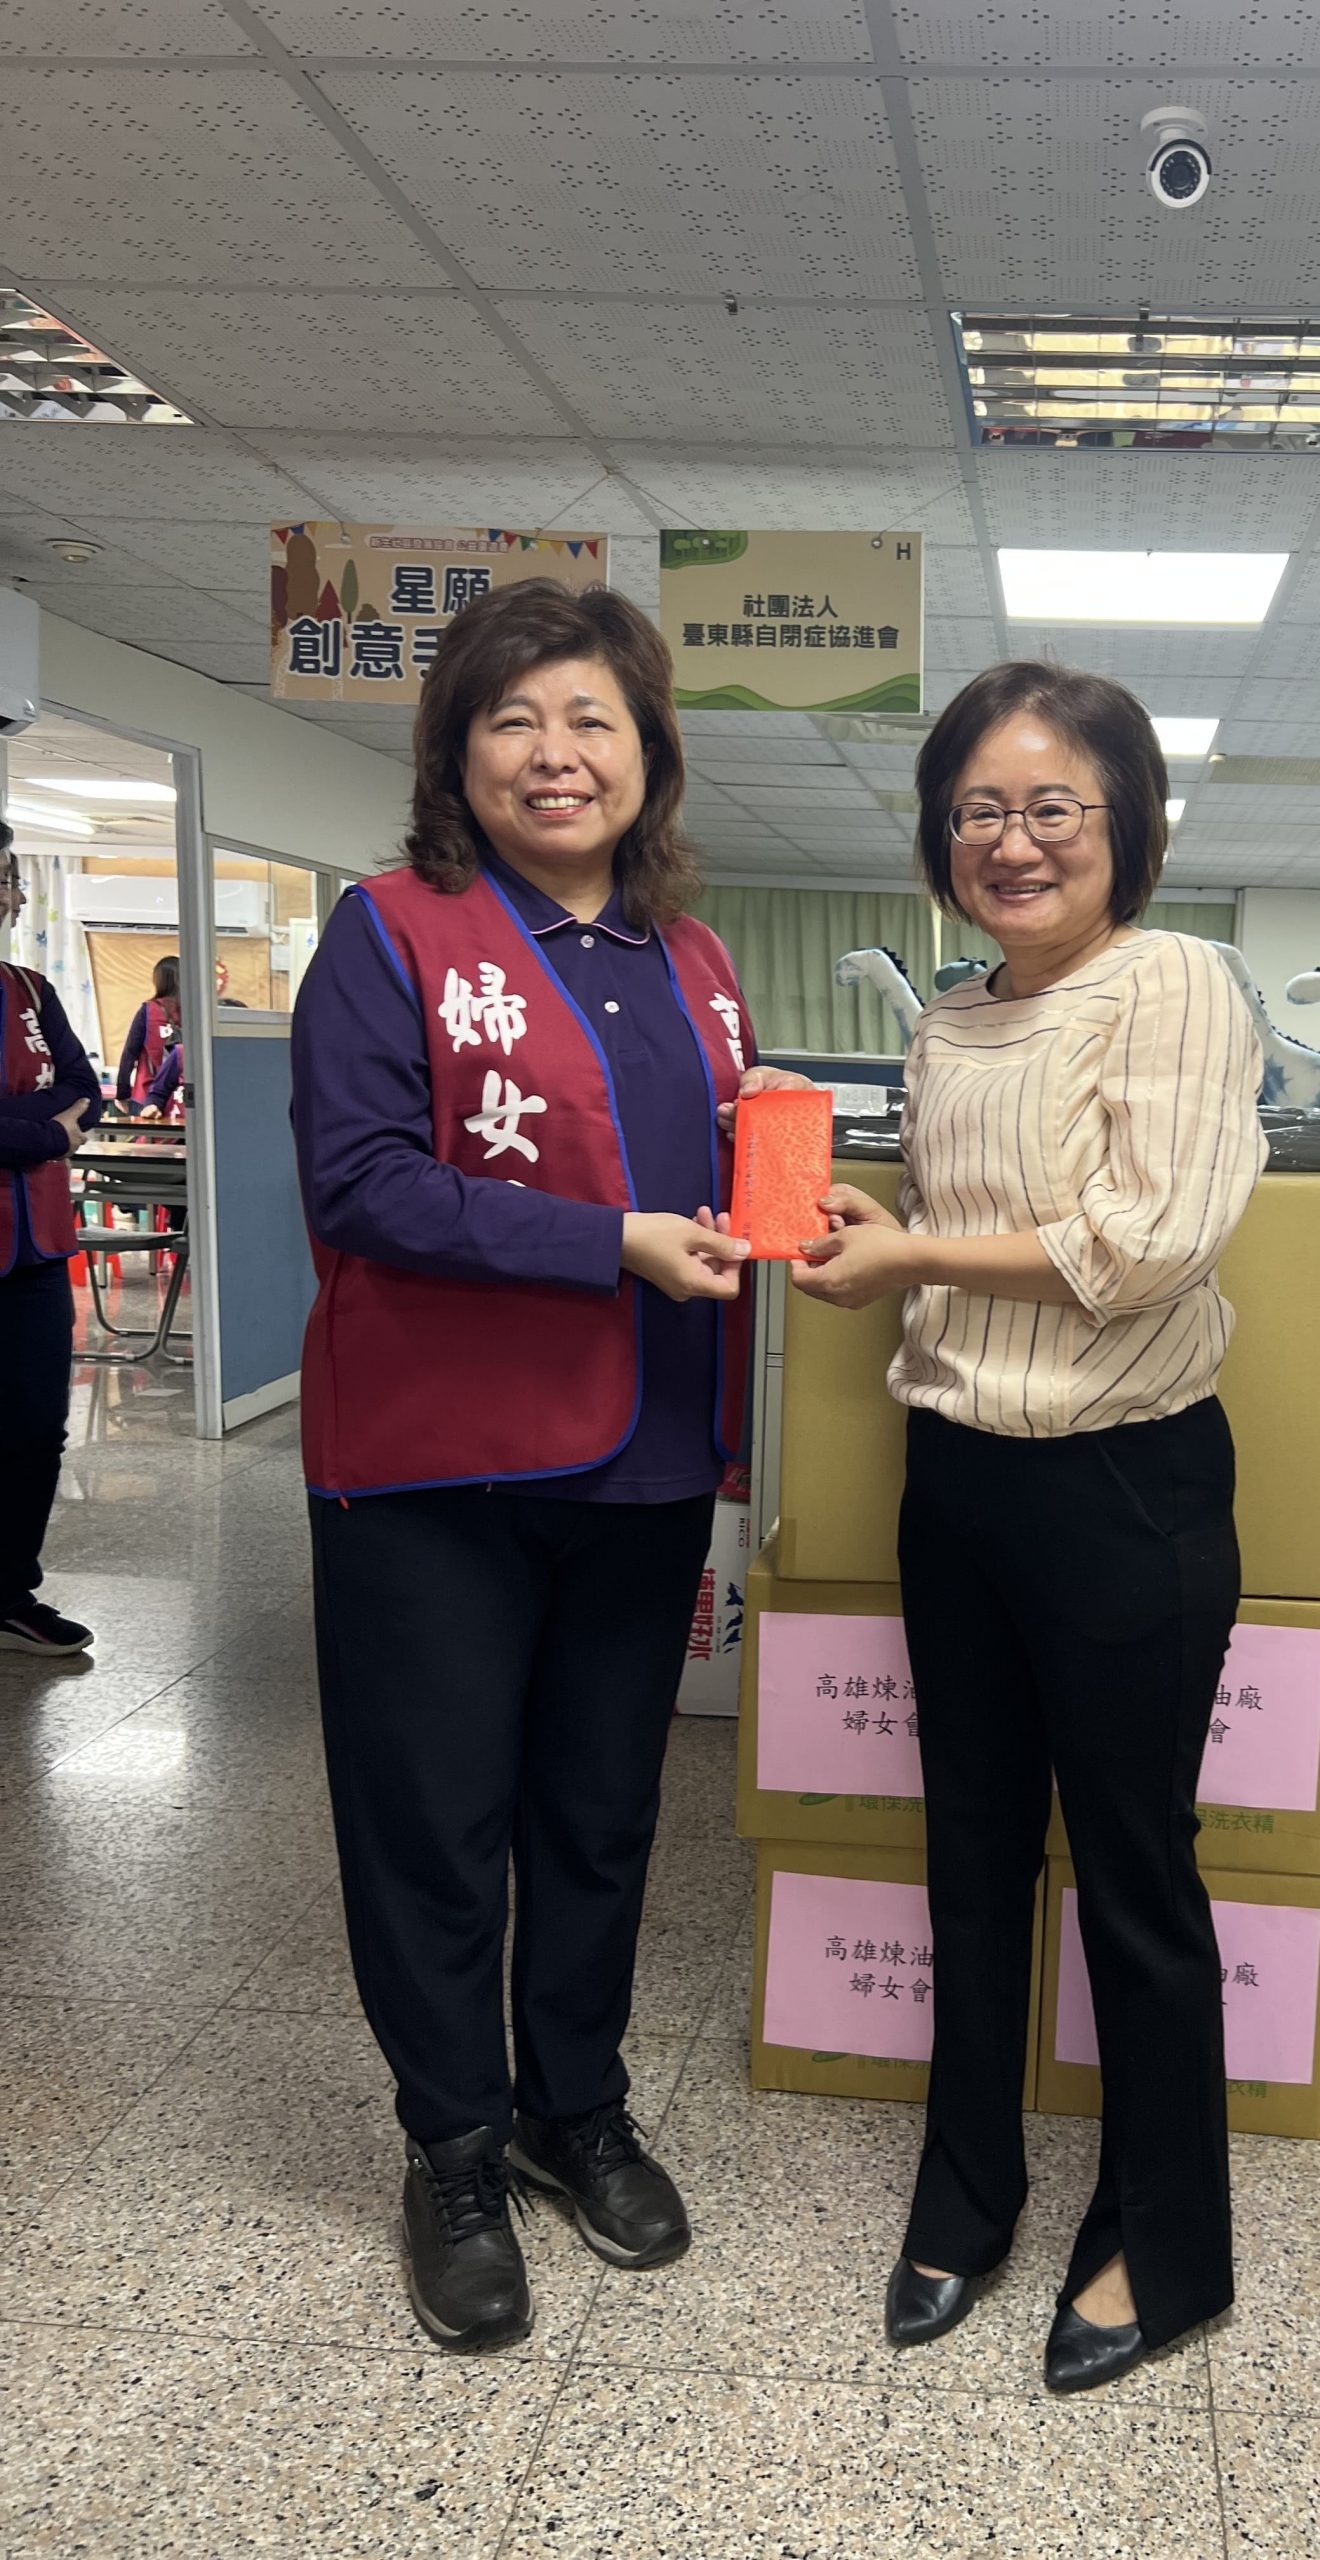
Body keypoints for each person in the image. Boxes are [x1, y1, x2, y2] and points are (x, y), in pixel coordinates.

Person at [290, 579, 808, 2354]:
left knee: (599, 1812)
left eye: (592, 717)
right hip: (434, 1469)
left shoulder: (696, 961)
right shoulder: (392, 929)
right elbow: (360, 1181)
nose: (555, 752)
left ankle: (572, 2107)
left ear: (649, 752)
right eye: (512, 719)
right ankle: (451, 2147)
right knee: (436, 1820)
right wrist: (611, 1245)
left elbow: (715, 1179)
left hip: (644, 1458)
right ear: (457, 753)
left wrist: (793, 1213)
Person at [791, 663, 1264, 2394]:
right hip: (961, 1476)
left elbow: (1148, 1242)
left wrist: (916, 1253)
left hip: (1125, 1482)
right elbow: (963, 1229)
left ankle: (1164, 2239)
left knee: (1134, 1870)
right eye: (978, 809)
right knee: (972, 1854)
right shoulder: (949, 1019)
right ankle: (968, 2188)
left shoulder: (1177, 984)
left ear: (1127, 824)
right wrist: (865, 1228)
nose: (1013, 840)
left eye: (1053, 805)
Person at [0, 822, 104, 1656]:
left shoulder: (30, 990)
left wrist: (29, 1125)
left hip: (36, 1249)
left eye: (8, 879)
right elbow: (61, 1112)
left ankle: (9, 1592)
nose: (7, 894)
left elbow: (84, 1087)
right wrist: (47, 1132)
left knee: (36, 1428)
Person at [117, 954, 182, 1114]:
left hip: (145, 1095)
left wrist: (122, 1093)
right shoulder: (194, 1012)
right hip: (181, 1098)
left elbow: (129, 1053)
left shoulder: (147, 1010)